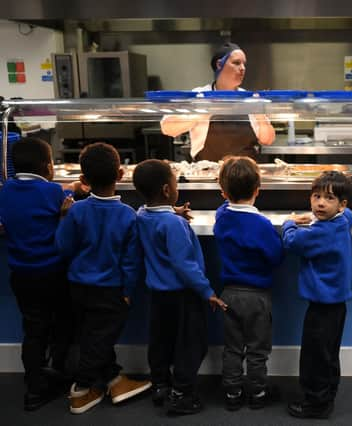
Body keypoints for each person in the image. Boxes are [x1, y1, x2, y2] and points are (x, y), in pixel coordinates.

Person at [55, 142, 151, 414]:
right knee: (100, 338)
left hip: (78, 287)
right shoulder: (128, 215)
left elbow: (63, 248)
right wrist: (128, 289)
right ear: (121, 175)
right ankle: (81, 390)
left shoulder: (76, 211)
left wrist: (63, 218)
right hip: (111, 290)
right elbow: (131, 261)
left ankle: (114, 379)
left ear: (83, 180)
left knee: (93, 335)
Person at [133, 159, 227, 415]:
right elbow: (185, 265)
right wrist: (207, 292)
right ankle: (182, 393)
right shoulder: (173, 224)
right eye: (175, 183)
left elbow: (155, 216)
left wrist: (172, 212)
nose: (177, 187)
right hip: (184, 294)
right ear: (166, 190)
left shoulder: (141, 214)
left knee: (161, 340)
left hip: (158, 294)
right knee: (191, 343)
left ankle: (160, 385)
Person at [0, 137, 77, 411]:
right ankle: (59, 371)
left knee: (33, 330)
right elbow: (61, 202)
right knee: (64, 322)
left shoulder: (5, 190)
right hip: (53, 272)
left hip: (21, 274)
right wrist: (67, 209)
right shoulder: (54, 193)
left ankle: (34, 387)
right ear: (48, 166)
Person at [282, 171, 352, 419]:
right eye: (316, 196)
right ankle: (327, 394)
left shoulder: (323, 231)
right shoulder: (343, 220)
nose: (320, 203)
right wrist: (317, 216)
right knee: (328, 354)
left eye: (329, 198)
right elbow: (350, 216)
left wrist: (289, 223)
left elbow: (293, 243)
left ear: (341, 204)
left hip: (322, 305)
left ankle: (315, 403)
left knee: (314, 356)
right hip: (337, 304)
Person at [213, 156, 284, 411]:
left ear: (223, 192)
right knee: (257, 348)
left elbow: (224, 208)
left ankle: (232, 393)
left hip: (228, 295)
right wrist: (286, 227)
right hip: (257, 296)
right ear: (258, 190)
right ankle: (258, 392)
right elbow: (275, 256)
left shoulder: (222, 218)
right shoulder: (262, 225)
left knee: (232, 348)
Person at [160, 42, 275, 161]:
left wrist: (260, 115)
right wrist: (204, 112)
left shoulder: (250, 98)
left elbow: (267, 140)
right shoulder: (199, 95)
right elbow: (167, 128)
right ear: (219, 64)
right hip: (208, 173)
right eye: (236, 63)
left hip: (245, 174)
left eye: (244, 64)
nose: (242, 68)